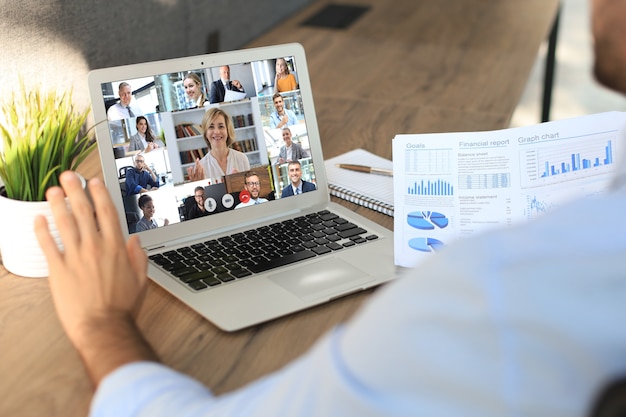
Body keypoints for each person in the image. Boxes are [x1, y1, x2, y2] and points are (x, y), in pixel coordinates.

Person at [32, 1, 626, 415]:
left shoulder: (500, 284)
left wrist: (100, 323)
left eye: (215, 122)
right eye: (207, 123)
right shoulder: (190, 168)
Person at [186, 107, 250, 182]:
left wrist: (242, 184)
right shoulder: (201, 168)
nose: (216, 132)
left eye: (221, 126)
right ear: (206, 133)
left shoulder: (242, 159)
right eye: (211, 127)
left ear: (227, 131)